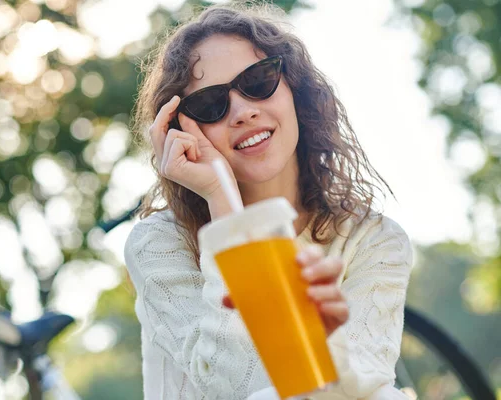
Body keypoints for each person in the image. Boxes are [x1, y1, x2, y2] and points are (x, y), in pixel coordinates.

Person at [124, 3, 413, 399]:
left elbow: (360, 390)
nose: (243, 112)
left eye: (258, 81)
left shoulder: (375, 241)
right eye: (211, 105)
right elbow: (237, 386)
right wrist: (222, 199)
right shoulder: (158, 244)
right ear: (183, 131)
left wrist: (329, 348)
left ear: (295, 87)